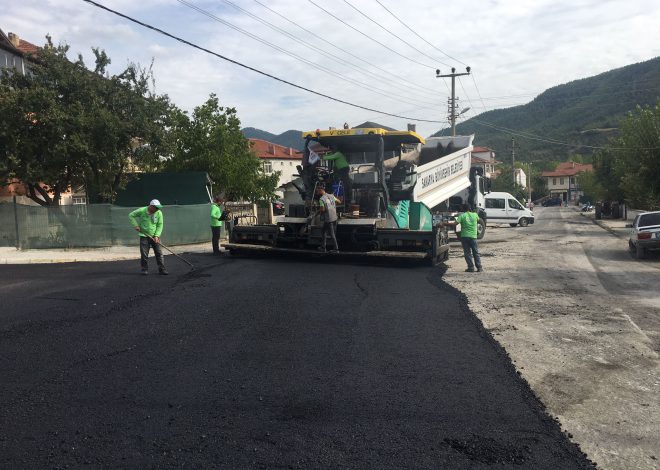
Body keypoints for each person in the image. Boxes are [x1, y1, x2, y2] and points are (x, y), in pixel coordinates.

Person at [128, 199, 168, 275]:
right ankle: (144, 269)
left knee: (159, 253)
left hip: (155, 236)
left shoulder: (159, 213)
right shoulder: (142, 210)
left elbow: (160, 225)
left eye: (158, 208)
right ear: (151, 206)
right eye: (156, 207)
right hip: (144, 236)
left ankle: (162, 269)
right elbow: (131, 215)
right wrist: (135, 225)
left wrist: (157, 235)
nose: (157, 209)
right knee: (144, 254)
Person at [455, 203, 483, 272]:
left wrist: (444, 223)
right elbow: (478, 221)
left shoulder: (462, 216)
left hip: (465, 236)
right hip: (473, 237)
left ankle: (471, 268)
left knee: (467, 253)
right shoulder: (475, 215)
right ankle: (479, 268)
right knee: (476, 252)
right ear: (470, 208)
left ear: (463, 209)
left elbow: (455, 224)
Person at [316, 184, 340, 253]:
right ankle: (323, 247)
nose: (317, 193)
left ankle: (336, 249)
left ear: (321, 190)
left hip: (328, 219)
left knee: (331, 234)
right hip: (334, 217)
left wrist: (317, 213)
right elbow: (339, 201)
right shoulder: (331, 196)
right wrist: (332, 206)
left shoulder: (321, 199)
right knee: (323, 231)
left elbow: (322, 210)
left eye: (317, 191)